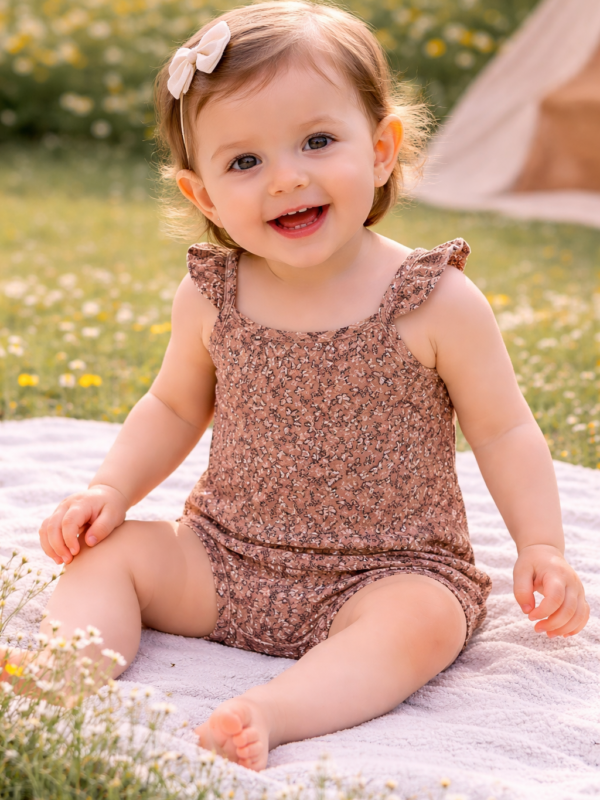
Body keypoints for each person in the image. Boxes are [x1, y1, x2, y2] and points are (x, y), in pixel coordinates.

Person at [4, 0, 589, 772]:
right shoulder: (212, 296)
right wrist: (112, 489)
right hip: (223, 557)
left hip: (386, 569)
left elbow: (505, 430)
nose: (287, 178)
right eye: (244, 162)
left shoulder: (434, 299)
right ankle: (64, 677)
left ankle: (269, 713)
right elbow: (174, 405)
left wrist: (539, 543)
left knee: (423, 622)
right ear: (203, 195)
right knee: (108, 559)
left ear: (382, 150)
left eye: (318, 141)